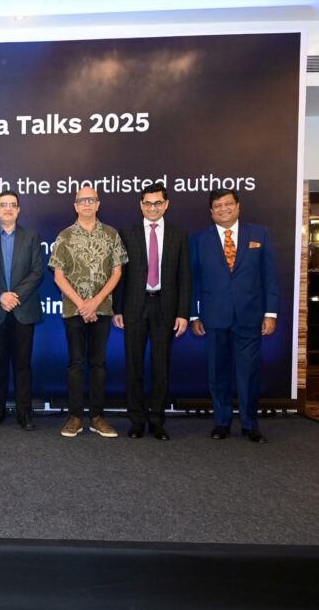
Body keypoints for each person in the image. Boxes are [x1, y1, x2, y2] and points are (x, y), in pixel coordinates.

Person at [190, 188, 280, 443]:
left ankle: (250, 424)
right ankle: (222, 422)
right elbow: (192, 280)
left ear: (238, 206)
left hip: (250, 317)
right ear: (211, 212)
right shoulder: (199, 240)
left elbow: (270, 276)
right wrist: (194, 315)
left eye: (228, 204)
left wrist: (270, 313)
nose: (223, 209)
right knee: (218, 373)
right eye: (217, 206)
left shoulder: (259, 234)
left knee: (249, 373)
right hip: (213, 317)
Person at [113, 182, 191, 441]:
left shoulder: (179, 234)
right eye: (148, 203)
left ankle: (157, 421)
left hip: (165, 307)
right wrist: (117, 309)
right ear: (141, 205)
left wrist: (183, 313)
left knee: (161, 367)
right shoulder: (128, 233)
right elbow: (120, 275)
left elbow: (185, 276)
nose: (153, 207)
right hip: (134, 306)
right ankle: (136, 420)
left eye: (158, 203)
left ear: (166, 205)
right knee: (133, 366)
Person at [48, 186, 127, 438]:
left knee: (98, 364)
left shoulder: (111, 234)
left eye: (91, 200)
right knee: (75, 363)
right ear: (75, 206)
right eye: (82, 200)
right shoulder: (65, 236)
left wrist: (95, 302)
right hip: (74, 310)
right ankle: (75, 417)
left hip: (102, 309)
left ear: (98, 204)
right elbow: (58, 276)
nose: (86, 204)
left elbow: (117, 272)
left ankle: (97, 417)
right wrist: (83, 304)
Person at [0, 190, 44, 430]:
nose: (8, 208)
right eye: (3, 205)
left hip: (23, 309)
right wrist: (1, 296)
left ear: (18, 210)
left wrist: (14, 297)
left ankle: (24, 412)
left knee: (23, 364)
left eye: (12, 205)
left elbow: (37, 272)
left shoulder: (32, 237)